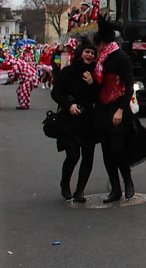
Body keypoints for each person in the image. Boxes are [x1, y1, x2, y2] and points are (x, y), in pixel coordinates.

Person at [92, 16, 146, 203]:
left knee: (117, 148)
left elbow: (129, 86)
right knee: (106, 150)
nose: (97, 49)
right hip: (103, 108)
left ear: (104, 43)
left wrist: (120, 110)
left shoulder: (121, 58)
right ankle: (115, 188)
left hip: (118, 106)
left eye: (98, 46)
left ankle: (128, 181)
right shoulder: (100, 61)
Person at [51, 37, 98, 202]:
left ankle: (80, 190)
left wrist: (92, 83)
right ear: (80, 53)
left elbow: (98, 96)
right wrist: (69, 104)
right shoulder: (68, 71)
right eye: (87, 52)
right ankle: (65, 184)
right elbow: (55, 93)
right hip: (69, 119)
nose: (90, 55)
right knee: (72, 155)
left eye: (93, 53)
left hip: (88, 120)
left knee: (88, 156)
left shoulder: (96, 73)